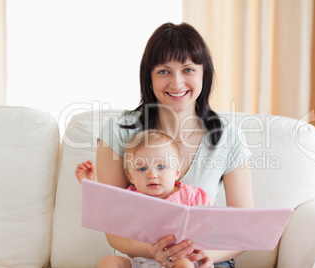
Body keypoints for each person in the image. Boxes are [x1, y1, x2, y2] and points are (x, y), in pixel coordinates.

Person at [94, 22, 254, 268]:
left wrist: (207, 256)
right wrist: (154, 251)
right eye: (164, 71)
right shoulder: (119, 131)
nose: (177, 83)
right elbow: (113, 228)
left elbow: (245, 228)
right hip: (141, 258)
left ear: (204, 74)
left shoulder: (228, 137)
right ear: (149, 76)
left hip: (200, 260)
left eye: (188, 70)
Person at [76, 129, 212, 268]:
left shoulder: (193, 195)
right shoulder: (129, 197)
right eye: (142, 169)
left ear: (177, 172)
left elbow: (209, 227)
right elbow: (105, 212)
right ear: (131, 177)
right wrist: (89, 185)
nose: (152, 174)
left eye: (161, 166)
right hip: (139, 260)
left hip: (177, 260)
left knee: (186, 266)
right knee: (108, 262)